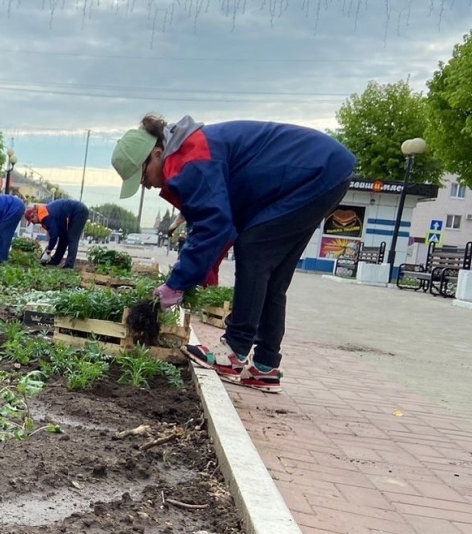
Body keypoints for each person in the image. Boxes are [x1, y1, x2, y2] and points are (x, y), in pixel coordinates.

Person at [111, 114, 354, 393]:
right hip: (324, 172)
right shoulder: (191, 151)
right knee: (273, 276)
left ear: (156, 154)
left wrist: (176, 283)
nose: (147, 186)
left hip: (312, 171)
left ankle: (234, 351)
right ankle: (265, 366)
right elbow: (221, 222)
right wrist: (201, 271)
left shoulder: (189, 159)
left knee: (254, 249)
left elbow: (214, 226)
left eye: (142, 177)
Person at [25, 198, 89, 268]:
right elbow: (56, 234)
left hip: (79, 211)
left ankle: (69, 266)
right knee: (64, 237)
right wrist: (48, 249)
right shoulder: (44, 214)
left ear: (34, 214)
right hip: (70, 214)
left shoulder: (47, 216)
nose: (33, 223)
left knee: (72, 238)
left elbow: (54, 236)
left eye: (32, 221)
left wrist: (48, 251)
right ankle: (55, 260)